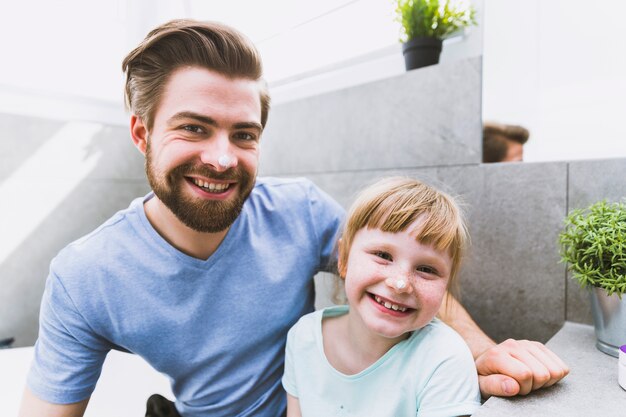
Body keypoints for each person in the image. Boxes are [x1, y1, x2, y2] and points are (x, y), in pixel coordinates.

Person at [19, 19, 568, 417]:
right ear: (142, 133)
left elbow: (394, 270)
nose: (222, 158)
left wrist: (481, 351)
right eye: (193, 127)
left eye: (243, 134)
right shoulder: (87, 275)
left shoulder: (298, 210)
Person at [283, 177, 481, 417]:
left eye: (426, 269)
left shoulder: (445, 358)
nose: (400, 283)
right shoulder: (304, 337)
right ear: (343, 259)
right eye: (383, 255)